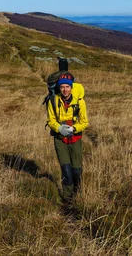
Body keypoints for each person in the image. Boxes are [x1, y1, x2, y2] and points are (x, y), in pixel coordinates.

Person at [46, 72, 89, 203]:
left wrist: (73, 129)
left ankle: (78, 193)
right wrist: (58, 128)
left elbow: (84, 122)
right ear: (59, 88)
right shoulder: (53, 101)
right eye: (62, 87)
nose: (65, 90)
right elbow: (50, 120)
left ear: (72, 87)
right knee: (66, 170)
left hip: (75, 139)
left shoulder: (80, 102)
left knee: (76, 170)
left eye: (67, 87)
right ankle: (68, 198)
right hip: (60, 140)